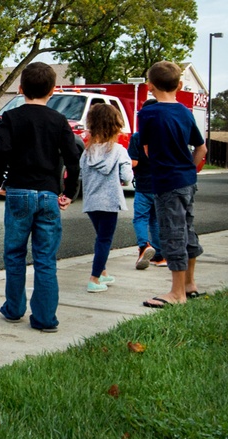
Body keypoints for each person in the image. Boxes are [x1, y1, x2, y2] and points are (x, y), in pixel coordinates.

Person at [0, 61, 80, 332]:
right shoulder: (59, 120)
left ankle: (14, 308)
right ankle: (45, 318)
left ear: (20, 89)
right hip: (49, 194)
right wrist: (68, 192)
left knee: (15, 254)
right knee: (45, 257)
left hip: (18, 192)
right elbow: (73, 159)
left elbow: (1, 151)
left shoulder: (11, 118)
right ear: (52, 90)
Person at [137, 61, 208, 307]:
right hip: (188, 181)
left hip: (166, 182)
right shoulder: (186, 113)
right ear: (179, 85)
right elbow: (201, 148)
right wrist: (190, 168)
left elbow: (146, 149)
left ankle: (177, 293)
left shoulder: (147, 113)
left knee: (172, 233)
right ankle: (190, 283)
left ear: (149, 87)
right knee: (188, 229)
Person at [79, 103, 133, 293]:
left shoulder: (87, 153)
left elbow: (81, 175)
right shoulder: (119, 151)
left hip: (91, 202)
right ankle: (94, 279)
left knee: (100, 237)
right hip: (110, 203)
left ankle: (102, 272)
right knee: (104, 240)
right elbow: (126, 177)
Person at [128, 98, 167, 270]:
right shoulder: (165, 136)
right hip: (161, 185)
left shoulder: (137, 137)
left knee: (140, 218)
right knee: (156, 221)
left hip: (143, 185)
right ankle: (160, 256)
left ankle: (144, 246)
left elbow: (134, 163)